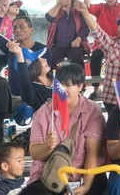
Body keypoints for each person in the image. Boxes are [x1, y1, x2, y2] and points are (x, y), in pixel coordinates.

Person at [26, 63, 107, 194]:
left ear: (80, 86)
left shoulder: (92, 111)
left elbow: (93, 152)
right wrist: (47, 146)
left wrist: (85, 186)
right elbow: (35, 154)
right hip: (50, 174)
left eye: (68, 85)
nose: (62, 90)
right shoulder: (43, 113)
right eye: (59, 85)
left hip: (84, 174)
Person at [85, 0, 120, 100]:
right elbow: (88, 6)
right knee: (95, 57)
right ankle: (96, 89)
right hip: (102, 43)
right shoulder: (100, 7)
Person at [0, 16, 47, 96]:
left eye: (22, 27)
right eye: (15, 27)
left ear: (31, 30)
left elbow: (47, 75)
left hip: (35, 96)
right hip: (13, 95)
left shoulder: (43, 50)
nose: (17, 30)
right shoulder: (9, 46)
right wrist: (1, 14)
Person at [45, 0, 90, 70]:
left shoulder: (78, 11)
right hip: (58, 46)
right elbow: (48, 17)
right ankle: (52, 81)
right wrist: (59, 4)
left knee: (76, 55)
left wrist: (78, 39)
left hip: (75, 46)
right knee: (52, 55)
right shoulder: (56, 11)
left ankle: (79, 81)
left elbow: (85, 29)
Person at [9, 42, 51, 111]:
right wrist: (19, 54)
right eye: (39, 59)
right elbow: (24, 80)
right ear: (33, 68)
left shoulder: (56, 78)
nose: (45, 59)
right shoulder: (31, 91)